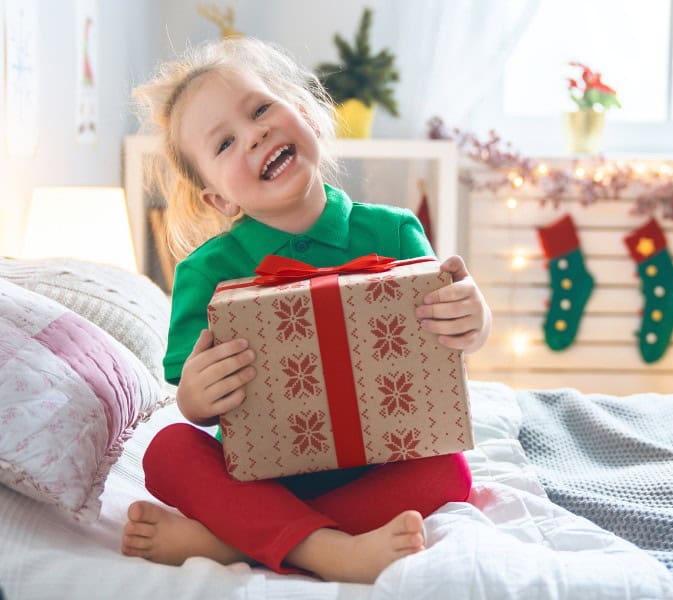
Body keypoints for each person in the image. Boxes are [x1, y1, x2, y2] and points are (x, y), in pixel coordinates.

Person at [120, 37, 492, 584]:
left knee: (451, 472)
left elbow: (442, 349)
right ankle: (329, 550)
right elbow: (193, 403)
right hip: (264, 475)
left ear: (310, 117)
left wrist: (473, 321)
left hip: (379, 463)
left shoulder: (393, 230)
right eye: (225, 144)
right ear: (218, 199)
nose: (255, 134)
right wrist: (197, 396)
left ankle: (233, 542)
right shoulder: (205, 272)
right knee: (168, 450)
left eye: (262, 109)